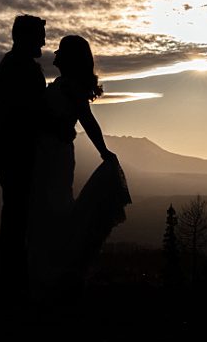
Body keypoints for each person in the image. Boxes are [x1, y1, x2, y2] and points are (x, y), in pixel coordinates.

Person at [25, 35, 130, 301]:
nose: (55, 53)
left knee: (55, 209)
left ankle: (55, 276)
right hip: (47, 154)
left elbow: (87, 120)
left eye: (61, 50)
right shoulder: (63, 84)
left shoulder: (70, 87)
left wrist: (103, 151)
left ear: (70, 58)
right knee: (45, 209)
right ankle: (48, 273)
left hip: (56, 156)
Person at [0, 14, 47, 302]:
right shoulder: (22, 68)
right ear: (26, 37)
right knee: (17, 213)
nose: (44, 42)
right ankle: (13, 283)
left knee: (15, 212)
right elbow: (30, 112)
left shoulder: (11, 65)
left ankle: (12, 278)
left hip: (8, 146)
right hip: (15, 148)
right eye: (40, 36)